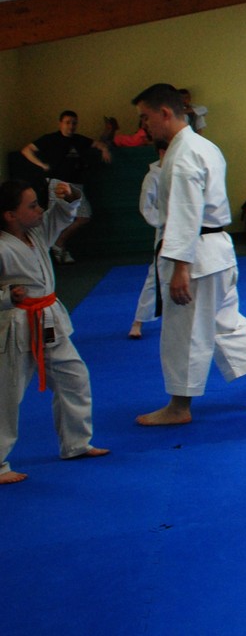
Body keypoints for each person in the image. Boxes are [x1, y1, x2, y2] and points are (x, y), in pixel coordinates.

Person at [130, 83, 246, 426]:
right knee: (224, 322)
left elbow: (187, 212)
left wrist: (180, 267)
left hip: (196, 257)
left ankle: (179, 407)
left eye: (145, 117)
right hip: (218, 251)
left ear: (164, 113)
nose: (144, 126)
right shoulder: (205, 146)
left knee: (184, 332)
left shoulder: (182, 155)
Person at [0, 179, 110, 485]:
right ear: (10, 215)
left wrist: (72, 195)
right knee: (7, 395)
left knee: (74, 377)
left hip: (49, 320)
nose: (39, 210)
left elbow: (62, 213)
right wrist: (7, 297)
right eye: (32, 205)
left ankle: (76, 443)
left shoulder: (37, 232)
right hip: (16, 326)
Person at [21, 110, 112, 264]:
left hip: (76, 185)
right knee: (57, 218)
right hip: (59, 184)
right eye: (67, 122)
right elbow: (26, 150)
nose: (71, 126)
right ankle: (53, 249)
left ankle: (59, 243)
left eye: (74, 123)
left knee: (84, 216)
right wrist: (41, 165)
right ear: (61, 123)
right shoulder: (50, 139)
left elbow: (98, 144)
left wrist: (104, 149)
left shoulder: (79, 140)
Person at [129, 140, 167, 340]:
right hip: (165, 231)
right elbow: (146, 207)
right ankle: (138, 321)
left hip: (189, 230)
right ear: (161, 152)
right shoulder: (152, 177)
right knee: (156, 275)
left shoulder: (181, 172)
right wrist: (164, 221)